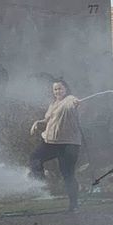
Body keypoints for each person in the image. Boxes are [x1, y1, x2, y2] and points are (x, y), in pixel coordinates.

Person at [29, 79, 81, 211]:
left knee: (67, 174)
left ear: (66, 89)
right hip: (50, 142)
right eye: (55, 89)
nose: (58, 91)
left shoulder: (69, 99)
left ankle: (74, 204)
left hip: (68, 144)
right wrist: (37, 122)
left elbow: (73, 103)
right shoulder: (53, 104)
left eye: (60, 88)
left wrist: (75, 103)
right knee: (35, 158)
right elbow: (48, 120)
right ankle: (41, 184)